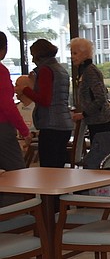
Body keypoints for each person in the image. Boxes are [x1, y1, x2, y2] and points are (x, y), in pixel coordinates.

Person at [16, 39, 74, 169]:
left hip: (51, 125)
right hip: (64, 124)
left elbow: (44, 100)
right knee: (58, 167)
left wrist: (25, 89)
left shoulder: (46, 70)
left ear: (39, 55)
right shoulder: (61, 70)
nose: (32, 60)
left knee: (48, 169)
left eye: (33, 56)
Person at [0, 31, 32, 205]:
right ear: (3, 50)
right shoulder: (1, 71)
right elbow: (6, 105)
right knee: (16, 175)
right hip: (2, 129)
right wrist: (24, 130)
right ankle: (13, 218)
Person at [69, 37, 110, 140]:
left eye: (75, 53)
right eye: (71, 53)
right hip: (96, 119)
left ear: (85, 54)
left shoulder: (89, 71)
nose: (72, 57)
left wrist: (84, 114)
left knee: (100, 151)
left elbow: (100, 97)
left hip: (100, 120)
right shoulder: (85, 70)